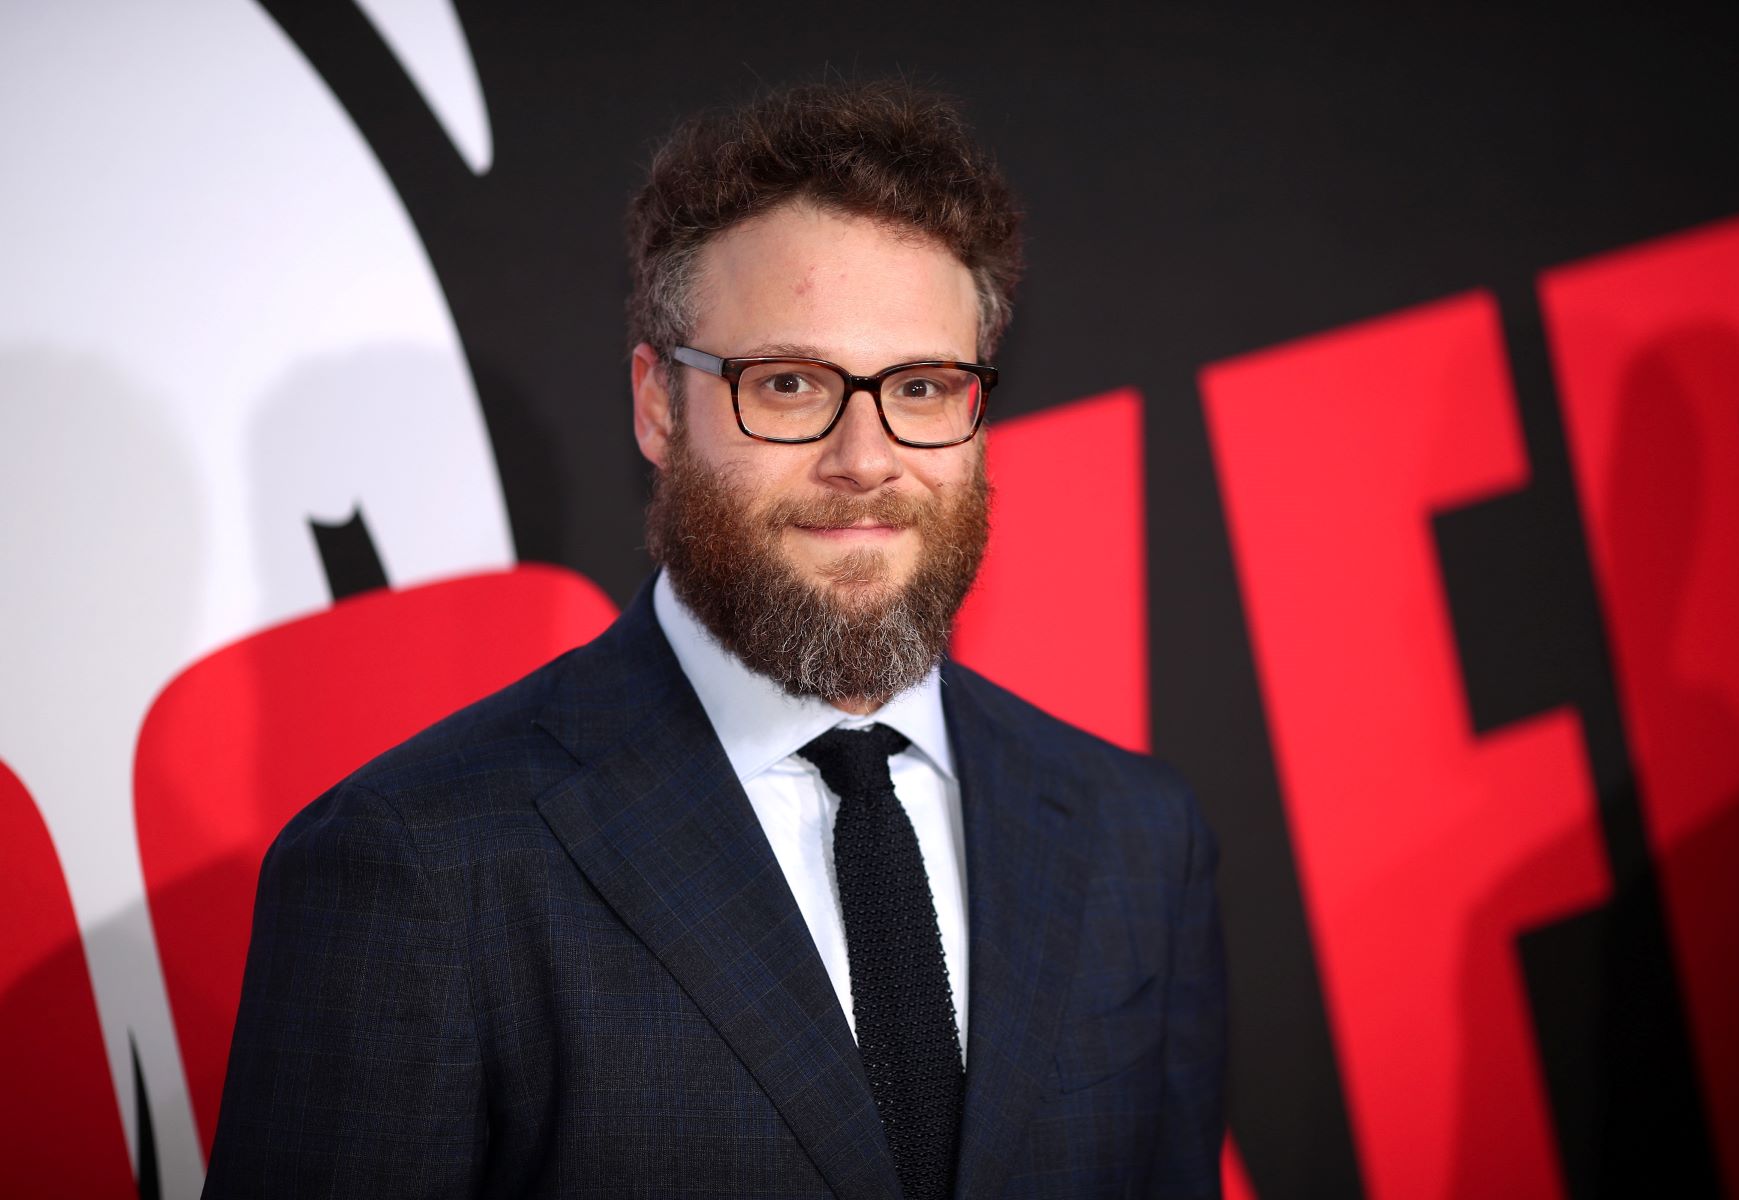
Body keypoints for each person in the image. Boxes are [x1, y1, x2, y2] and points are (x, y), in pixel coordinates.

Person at [204, 79, 1224, 1199]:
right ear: (657, 405)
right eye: (787, 384)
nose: (865, 459)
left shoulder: (1139, 838)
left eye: (924, 387)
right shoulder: (418, 866)